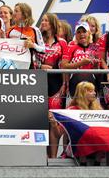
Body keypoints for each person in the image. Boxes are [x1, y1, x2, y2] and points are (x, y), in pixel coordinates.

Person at [37, 13, 70, 158]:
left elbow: (64, 65)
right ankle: (45, 159)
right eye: (42, 20)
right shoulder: (36, 40)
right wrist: (40, 66)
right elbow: (30, 61)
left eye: (46, 20)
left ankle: (53, 158)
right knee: (42, 122)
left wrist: (65, 83)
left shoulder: (61, 42)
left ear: (52, 23)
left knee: (54, 121)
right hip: (38, 83)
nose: (43, 22)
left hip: (56, 84)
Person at [65, 22, 100, 98]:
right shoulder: (71, 47)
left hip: (91, 83)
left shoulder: (95, 47)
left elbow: (97, 72)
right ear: (76, 35)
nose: (81, 34)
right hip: (75, 84)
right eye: (78, 32)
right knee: (76, 108)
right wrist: (81, 63)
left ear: (89, 33)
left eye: (84, 31)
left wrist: (96, 65)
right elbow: (64, 66)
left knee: (91, 108)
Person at [7, 3, 44, 68]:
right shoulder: (10, 30)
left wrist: (33, 45)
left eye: (16, 11)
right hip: (12, 67)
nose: (13, 13)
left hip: (29, 67)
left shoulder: (35, 30)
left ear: (24, 14)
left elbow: (43, 50)